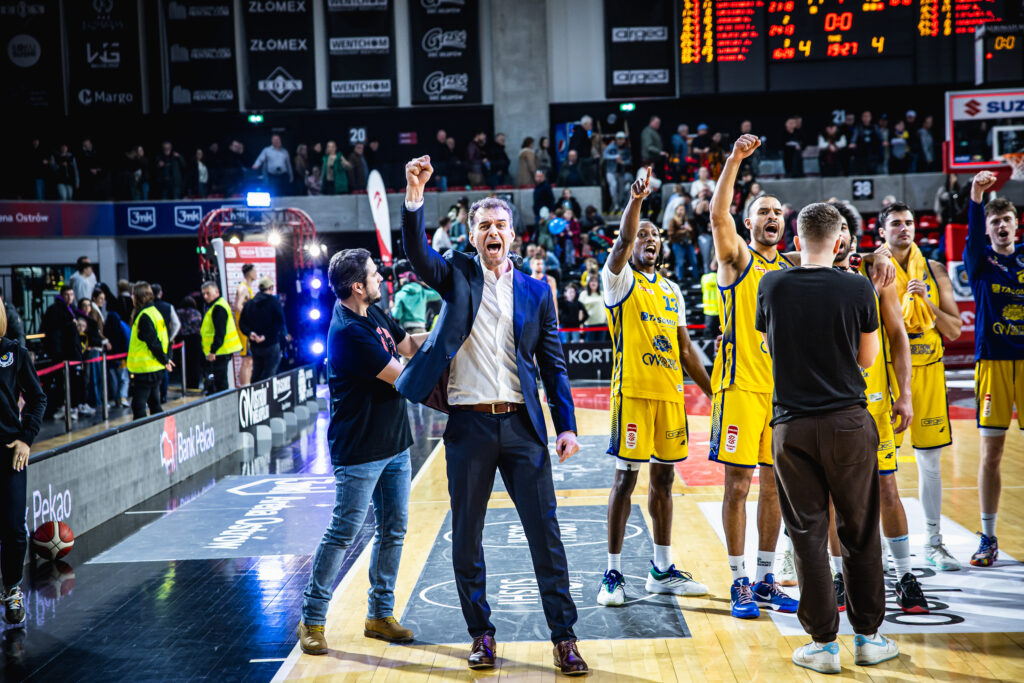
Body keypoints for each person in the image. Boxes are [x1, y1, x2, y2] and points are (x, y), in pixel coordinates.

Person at [396, 155, 588, 675]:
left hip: (523, 426)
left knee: (546, 536)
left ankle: (564, 638)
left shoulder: (537, 291)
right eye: (484, 226)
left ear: (513, 234)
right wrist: (414, 196)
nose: (493, 232)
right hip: (469, 426)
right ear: (472, 235)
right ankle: (481, 634)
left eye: (500, 224)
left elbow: (553, 365)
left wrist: (566, 425)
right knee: (466, 537)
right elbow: (417, 253)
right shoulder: (456, 273)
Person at [756, 201, 899, 674]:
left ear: (796, 241)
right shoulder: (858, 287)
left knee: (806, 537)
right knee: (859, 533)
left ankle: (822, 644)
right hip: (847, 424)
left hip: (792, 425)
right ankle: (869, 638)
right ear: (840, 242)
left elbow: (769, 346)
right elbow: (867, 359)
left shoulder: (771, 285)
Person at [296, 248, 424, 656]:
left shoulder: (373, 312)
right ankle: (311, 619)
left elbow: (409, 346)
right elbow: (405, 378)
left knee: (393, 529)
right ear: (357, 287)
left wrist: (451, 333)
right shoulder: (348, 331)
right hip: (360, 450)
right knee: (343, 532)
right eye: (373, 274)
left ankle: (379, 615)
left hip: (394, 443)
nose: (380, 278)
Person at [597, 169, 712, 608]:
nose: (649, 239)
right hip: (632, 395)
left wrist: (715, 394)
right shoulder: (618, 279)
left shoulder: (671, 290)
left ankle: (661, 570)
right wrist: (637, 202)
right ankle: (612, 573)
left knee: (663, 481)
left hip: (669, 397)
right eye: (643, 234)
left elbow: (686, 350)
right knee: (625, 480)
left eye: (655, 236)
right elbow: (623, 241)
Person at [707, 135, 799, 619]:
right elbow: (717, 215)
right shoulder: (737, 259)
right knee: (738, 485)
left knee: (774, 487)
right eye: (763, 211)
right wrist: (734, 161)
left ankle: (765, 579)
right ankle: (738, 580)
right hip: (740, 387)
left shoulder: (788, 269)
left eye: (777, 212)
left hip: (780, 394)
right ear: (748, 223)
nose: (771, 217)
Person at [821, 200, 927, 614]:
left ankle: (904, 574)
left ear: (852, 234)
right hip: (830, 403)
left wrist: (906, 394)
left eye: (844, 229)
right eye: (831, 230)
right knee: (834, 496)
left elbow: (898, 336)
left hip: (874, 404)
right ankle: (838, 576)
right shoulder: (806, 272)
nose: (839, 236)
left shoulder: (876, 275)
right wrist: (870, 253)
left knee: (887, 489)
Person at [879, 201, 962, 569]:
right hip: (887, 375)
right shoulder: (872, 266)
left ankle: (933, 542)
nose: (905, 228)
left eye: (909, 222)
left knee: (930, 462)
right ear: (883, 231)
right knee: (881, 467)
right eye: (896, 223)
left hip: (928, 372)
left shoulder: (934, 269)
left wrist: (927, 301)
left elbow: (954, 329)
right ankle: (882, 547)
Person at [964, 172, 1021, 567]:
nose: (1001, 226)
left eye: (1007, 220)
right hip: (993, 363)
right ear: (988, 229)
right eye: (995, 221)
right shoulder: (981, 262)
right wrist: (976, 196)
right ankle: (988, 537)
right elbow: (971, 235)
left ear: (1017, 224)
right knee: (991, 453)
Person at [0, 302, 46, 627]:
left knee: (14, 528)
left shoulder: (14, 353)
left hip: (9, 452)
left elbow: (37, 398)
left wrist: (26, 439)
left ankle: (12, 589)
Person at [126, 282, 174, 420]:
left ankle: (141, 432)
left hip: (146, 369)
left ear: (138, 296)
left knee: (138, 405)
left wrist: (165, 360)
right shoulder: (155, 312)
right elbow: (165, 338)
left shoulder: (144, 316)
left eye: (133, 295)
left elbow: (153, 342)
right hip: (154, 367)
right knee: (154, 403)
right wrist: (166, 358)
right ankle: (159, 429)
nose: (131, 297)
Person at [239, 277, 288, 382]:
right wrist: (265, 336)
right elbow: (280, 322)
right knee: (270, 374)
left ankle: (255, 392)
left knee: (256, 372)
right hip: (271, 344)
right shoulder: (274, 302)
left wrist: (250, 333)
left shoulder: (250, 303)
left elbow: (242, 323)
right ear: (271, 287)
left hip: (255, 346)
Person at [200, 281, 242, 393]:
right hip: (220, 351)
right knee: (218, 382)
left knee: (220, 383)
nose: (205, 296)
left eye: (208, 293)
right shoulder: (216, 305)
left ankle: (224, 403)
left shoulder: (218, 307)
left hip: (220, 351)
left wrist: (213, 350)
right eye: (204, 294)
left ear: (217, 292)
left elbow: (220, 332)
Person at [151, 284, 182, 404]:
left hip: (150, 344)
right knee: (165, 368)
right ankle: (163, 396)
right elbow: (176, 324)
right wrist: (170, 337)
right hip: (164, 343)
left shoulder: (147, 307)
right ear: (161, 294)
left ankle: (154, 397)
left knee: (153, 371)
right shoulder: (168, 306)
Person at [235, 264, 258, 387]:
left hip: (248, 327)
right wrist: (247, 318)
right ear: (249, 273)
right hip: (244, 328)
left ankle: (247, 385)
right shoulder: (243, 288)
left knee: (249, 360)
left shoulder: (247, 288)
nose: (256, 273)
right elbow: (238, 306)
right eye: (254, 271)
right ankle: (245, 386)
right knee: (246, 360)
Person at [175, 296, 203, 392]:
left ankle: (185, 383)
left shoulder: (178, 312)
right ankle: (194, 384)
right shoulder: (197, 313)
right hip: (195, 339)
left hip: (182, 339)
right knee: (195, 363)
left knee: (184, 362)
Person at [577, 275, 606, 341]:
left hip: (602, 325)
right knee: (590, 345)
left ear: (598, 284)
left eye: (595, 281)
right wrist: (581, 325)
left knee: (601, 346)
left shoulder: (603, 294)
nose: (593, 283)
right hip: (589, 325)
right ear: (588, 283)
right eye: (591, 281)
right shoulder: (583, 294)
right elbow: (580, 311)